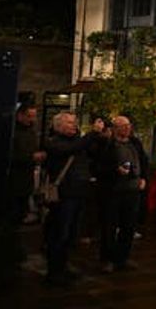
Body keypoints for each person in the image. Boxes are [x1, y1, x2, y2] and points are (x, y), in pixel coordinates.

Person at [41, 112, 104, 286]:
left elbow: (93, 151)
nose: (74, 125)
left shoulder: (78, 141)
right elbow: (70, 149)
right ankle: (54, 271)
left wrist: (100, 137)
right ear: (58, 125)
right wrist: (92, 133)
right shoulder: (53, 142)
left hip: (79, 192)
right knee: (59, 233)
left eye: (74, 122)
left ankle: (63, 267)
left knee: (70, 235)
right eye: (69, 123)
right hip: (64, 195)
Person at [93, 116, 148, 272]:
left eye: (128, 125)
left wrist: (143, 178)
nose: (126, 129)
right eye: (122, 126)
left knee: (129, 226)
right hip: (112, 190)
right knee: (109, 226)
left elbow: (143, 161)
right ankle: (108, 259)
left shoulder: (135, 143)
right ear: (115, 128)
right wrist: (114, 170)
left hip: (132, 190)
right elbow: (98, 167)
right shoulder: (107, 145)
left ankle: (122, 258)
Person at [7, 104, 45, 225]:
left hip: (27, 179)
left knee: (22, 212)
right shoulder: (12, 132)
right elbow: (9, 155)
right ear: (20, 115)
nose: (32, 119)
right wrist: (31, 157)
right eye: (29, 116)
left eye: (34, 116)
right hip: (13, 180)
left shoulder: (31, 132)